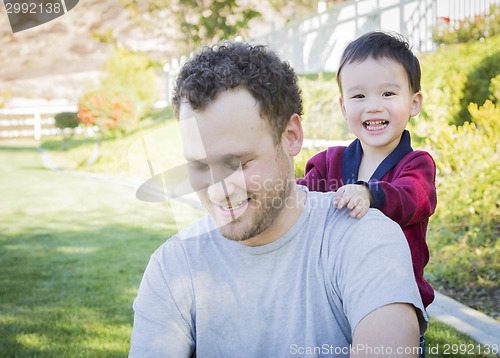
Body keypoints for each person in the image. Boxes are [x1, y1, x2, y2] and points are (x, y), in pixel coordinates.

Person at [129, 41, 427, 358]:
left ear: (291, 137)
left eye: (239, 163)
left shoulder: (363, 239)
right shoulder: (172, 266)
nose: (219, 191)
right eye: (200, 166)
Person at [297, 31, 437, 308]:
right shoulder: (328, 163)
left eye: (388, 93)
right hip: (335, 298)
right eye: (359, 96)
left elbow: (412, 197)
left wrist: (370, 194)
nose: (373, 106)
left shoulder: (417, 165)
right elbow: (301, 198)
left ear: (414, 102)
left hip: (393, 300)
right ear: (343, 107)